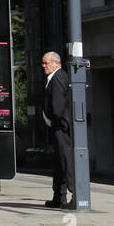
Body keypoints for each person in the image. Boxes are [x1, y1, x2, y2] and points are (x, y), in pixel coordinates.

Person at [41, 51, 74, 208]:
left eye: (46, 63)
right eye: (43, 63)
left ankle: (75, 194)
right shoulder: (54, 77)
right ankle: (58, 197)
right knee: (59, 162)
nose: (44, 66)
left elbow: (58, 107)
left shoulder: (59, 77)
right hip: (57, 126)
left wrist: (55, 120)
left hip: (60, 127)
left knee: (65, 160)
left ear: (56, 63)